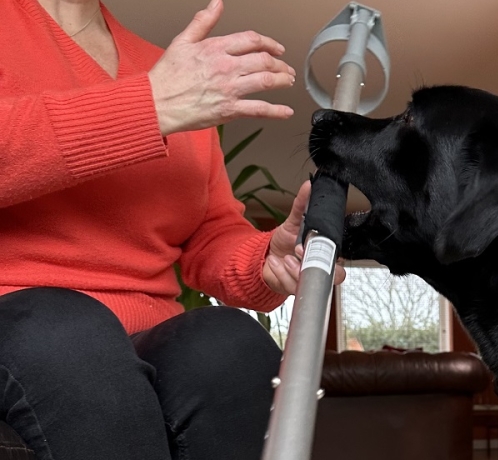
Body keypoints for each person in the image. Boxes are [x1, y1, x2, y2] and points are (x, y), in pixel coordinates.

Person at [0, 0, 345, 458]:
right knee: (67, 333)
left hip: (136, 339)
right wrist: (146, 106)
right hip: (29, 325)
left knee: (227, 345)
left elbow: (210, 229)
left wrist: (267, 261)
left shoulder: (173, 72)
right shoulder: (168, 87)